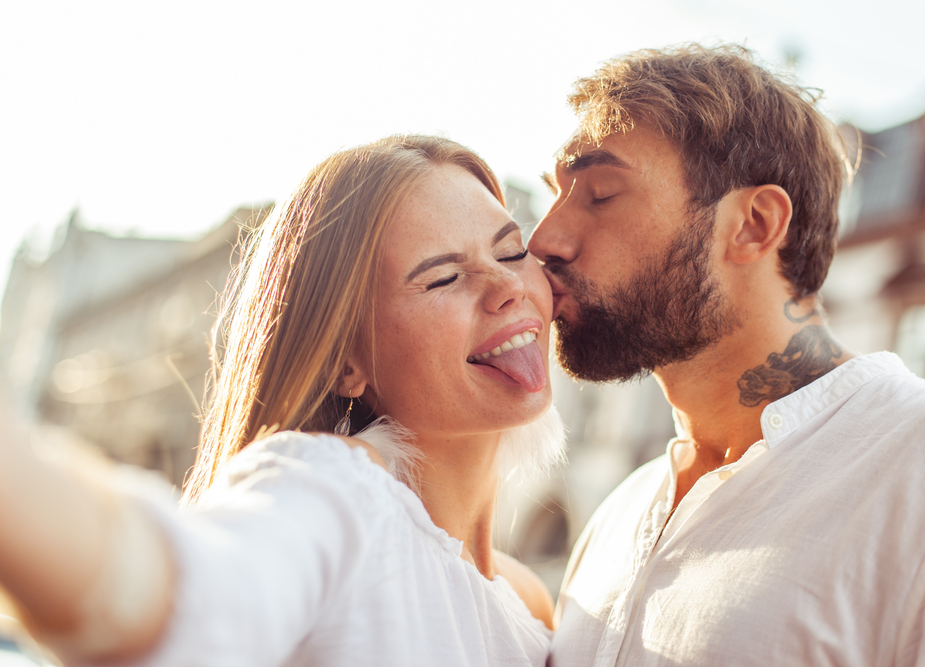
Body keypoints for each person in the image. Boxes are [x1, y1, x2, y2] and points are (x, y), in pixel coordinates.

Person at [0, 135, 566, 666]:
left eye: (512, 251)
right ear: (348, 364)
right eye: (443, 278)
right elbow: (180, 591)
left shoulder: (531, 603)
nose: (509, 286)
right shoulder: (336, 495)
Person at [528, 43, 925, 666]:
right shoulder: (619, 517)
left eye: (602, 193)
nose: (544, 240)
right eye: (555, 195)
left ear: (753, 224)